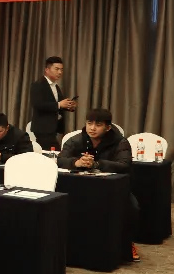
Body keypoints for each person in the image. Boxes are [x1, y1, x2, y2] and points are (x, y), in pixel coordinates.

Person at [57, 108, 138, 261]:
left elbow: (124, 165)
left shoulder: (120, 142)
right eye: (89, 123)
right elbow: (61, 159)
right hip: (81, 188)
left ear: (108, 127)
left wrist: (97, 164)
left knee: (132, 207)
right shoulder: (75, 140)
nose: (92, 128)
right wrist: (76, 162)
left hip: (111, 190)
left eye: (98, 125)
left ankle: (127, 243)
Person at [30, 56, 77, 151]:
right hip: (43, 128)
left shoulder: (55, 86)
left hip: (53, 128)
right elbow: (37, 104)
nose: (60, 72)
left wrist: (69, 106)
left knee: (52, 153)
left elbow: (58, 105)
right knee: (54, 153)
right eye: (57, 69)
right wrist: (59, 104)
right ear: (47, 70)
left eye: (61, 69)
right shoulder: (38, 84)